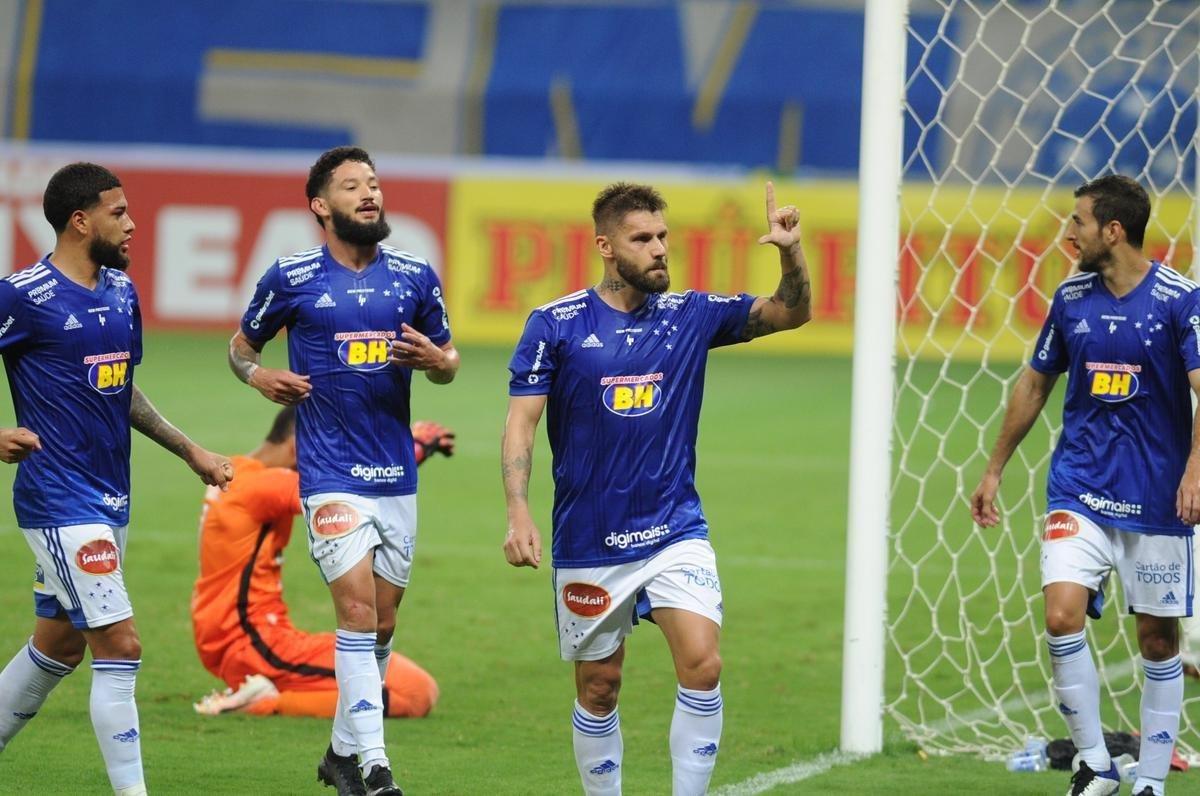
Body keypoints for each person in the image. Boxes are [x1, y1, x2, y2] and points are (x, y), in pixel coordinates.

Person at [502, 181, 811, 795]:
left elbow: (790, 311)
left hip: (675, 530)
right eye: (642, 239)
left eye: (663, 237)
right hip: (589, 538)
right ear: (607, 248)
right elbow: (522, 422)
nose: (659, 249)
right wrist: (518, 511)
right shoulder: (555, 325)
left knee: (703, 662)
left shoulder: (691, 314)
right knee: (599, 685)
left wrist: (790, 253)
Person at [229, 146, 458, 796]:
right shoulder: (292, 276)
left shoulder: (414, 275)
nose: (370, 194)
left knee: (382, 623)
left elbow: (450, 360)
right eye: (353, 186)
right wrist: (259, 375)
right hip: (328, 473)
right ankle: (377, 769)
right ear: (320, 206)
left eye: (375, 184)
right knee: (356, 612)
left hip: (395, 478)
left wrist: (436, 362)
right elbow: (240, 349)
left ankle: (338, 755)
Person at [0, 163, 233, 796]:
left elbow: (121, 390)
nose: (133, 225)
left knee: (60, 646)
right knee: (121, 647)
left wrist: (189, 450)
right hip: (58, 500)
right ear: (81, 221)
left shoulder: (120, 293)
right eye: (119, 213)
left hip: (109, 500)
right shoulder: (22, 295)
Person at [971, 175, 1198, 796]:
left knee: (1157, 639)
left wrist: (1196, 469)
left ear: (1113, 230)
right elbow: (1035, 384)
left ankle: (1150, 780)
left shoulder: (1181, 301)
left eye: (1078, 222)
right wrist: (995, 467)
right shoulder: (1072, 298)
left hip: (1157, 501)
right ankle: (1096, 765)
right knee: (1061, 614)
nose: (1068, 233)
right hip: (1080, 490)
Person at [191, 409, 453, 720]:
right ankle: (263, 702)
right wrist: (412, 449)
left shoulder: (237, 472)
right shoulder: (259, 486)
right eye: (325, 450)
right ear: (297, 447)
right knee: (415, 692)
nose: (330, 460)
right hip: (253, 642)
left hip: (236, 635)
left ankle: (270, 689)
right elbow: (346, 490)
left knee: (371, 676)